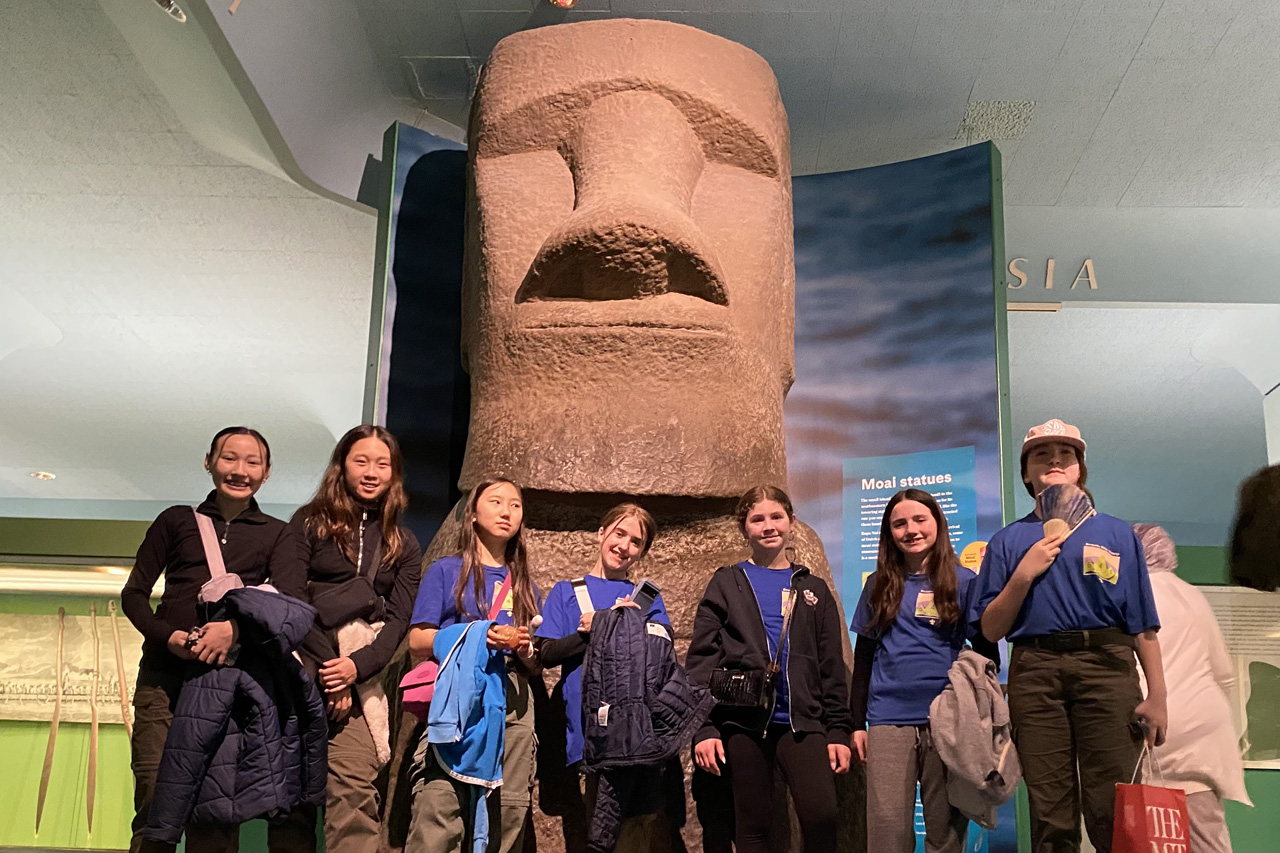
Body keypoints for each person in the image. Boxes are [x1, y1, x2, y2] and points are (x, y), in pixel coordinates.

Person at [974, 419, 1168, 853]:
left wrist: (1158, 695)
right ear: (1026, 474)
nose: (1055, 461)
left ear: (1080, 468)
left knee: (1114, 805)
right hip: (1035, 670)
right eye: (1042, 455)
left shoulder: (1117, 533)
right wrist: (1023, 575)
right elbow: (990, 628)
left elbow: (1143, 624)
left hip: (1108, 667)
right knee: (1050, 812)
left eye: (1066, 454)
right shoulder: (1007, 540)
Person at [120, 426, 305, 852]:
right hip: (163, 681)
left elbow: (290, 605)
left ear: (267, 472)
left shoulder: (280, 533)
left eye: (252, 462)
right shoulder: (175, 520)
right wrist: (169, 638)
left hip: (229, 689)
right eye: (229, 458)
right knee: (153, 797)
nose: (240, 470)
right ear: (209, 462)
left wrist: (234, 631)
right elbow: (134, 595)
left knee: (216, 812)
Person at [273, 425, 423, 853]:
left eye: (382, 464)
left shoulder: (404, 543)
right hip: (299, 673)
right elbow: (290, 598)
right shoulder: (307, 522)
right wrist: (330, 670)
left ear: (394, 474)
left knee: (355, 791)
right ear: (342, 466)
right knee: (292, 801)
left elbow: (399, 621)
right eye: (361, 461)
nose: (371, 472)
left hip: (361, 682)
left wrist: (354, 669)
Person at [687, 486, 853, 853]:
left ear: (792, 522)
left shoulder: (814, 588)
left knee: (822, 816)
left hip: (803, 722)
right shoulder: (725, 582)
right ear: (744, 528)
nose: (768, 526)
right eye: (757, 519)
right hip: (742, 722)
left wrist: (839, 730)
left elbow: (831, 665)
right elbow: (701, 661)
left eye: (776, 516)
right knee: (752, 827)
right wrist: (705, 728)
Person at [848, 489, 998, 853]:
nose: (911, 530)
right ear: (889, 533)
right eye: (899, 523)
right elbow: (863, 658)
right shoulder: (877, 584)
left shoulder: (964, 581)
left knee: (945, 834)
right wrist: (856, 724)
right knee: (887, 834)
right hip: (887, 719)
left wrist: (987, 719)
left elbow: (986, 653)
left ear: (938, 524)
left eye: (920, 520)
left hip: (947, 721)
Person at [404, 477, 541, 853]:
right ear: (473, 514)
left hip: (511, 703)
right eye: (495, 501)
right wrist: (479, 635)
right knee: (439, 807)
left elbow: (534, 662)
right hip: (458, 697)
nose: (506, 511)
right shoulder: (446, 571)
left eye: (515, 505)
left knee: (508, 810)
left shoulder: (525, 585)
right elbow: (417, 640)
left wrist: (525, 649)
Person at [536, 503, 672, 852]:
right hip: (589, 734)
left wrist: (607, 623)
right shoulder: (567, 592)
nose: (624, 546)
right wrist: (591, 634)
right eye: (619, 533)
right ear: (601, 533)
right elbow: (546, 653)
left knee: (635, 832)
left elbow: (662, 652)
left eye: (636, 542)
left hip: (638, 735)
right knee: (594, 833)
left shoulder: (647, 601)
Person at [1134, 523, 1252, 853]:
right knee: (1207, 838)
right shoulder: (1192, 595)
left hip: (1150, 733)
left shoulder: (1127, 595)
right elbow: (1224, 675)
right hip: (1203, 736)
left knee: (1144, 836)